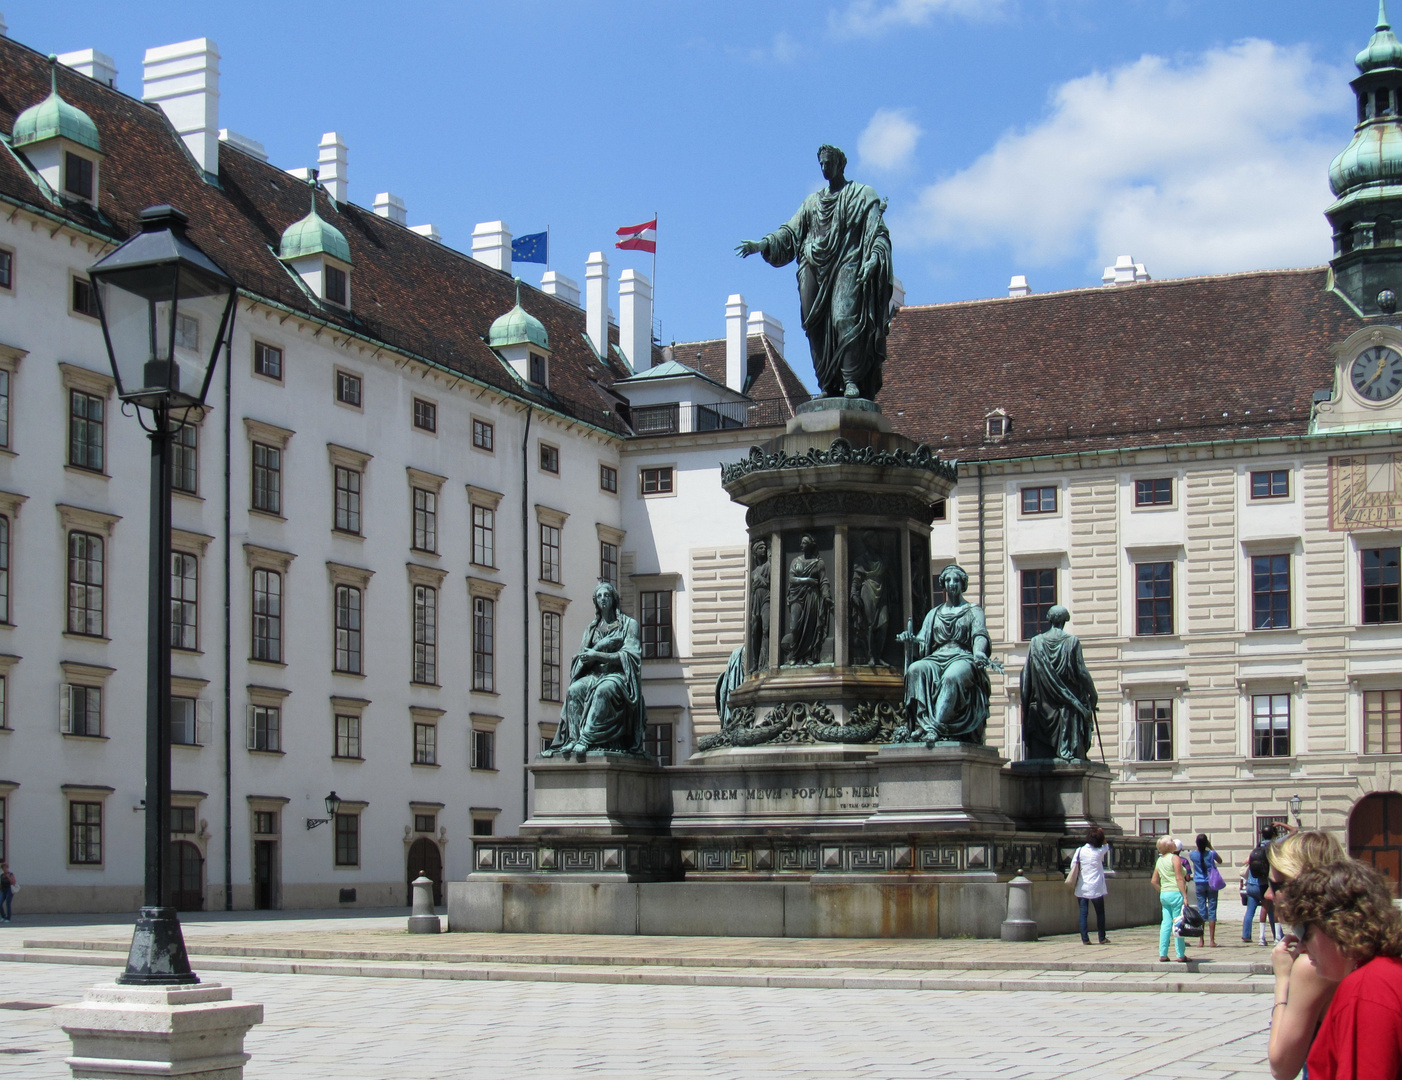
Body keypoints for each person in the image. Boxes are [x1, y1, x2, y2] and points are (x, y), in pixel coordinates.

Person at [736, 144, 893, 400]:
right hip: (812, 266)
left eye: (828, 163)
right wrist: (762, 244)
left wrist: (874, 258)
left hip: (848, 262)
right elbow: (790, 231)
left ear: (840, 164)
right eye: (820, 164)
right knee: (814, 326)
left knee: (844, 318)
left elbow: (878, 233)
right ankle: (828, 384)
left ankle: (851, 378)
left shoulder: (862, 195)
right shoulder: (812, 202)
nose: (824, 168)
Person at [1276, 859, 1402, 1080]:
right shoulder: (1387, 972)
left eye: (1304, 930)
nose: (1302, 945)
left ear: (1335, 924)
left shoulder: (1365, 989)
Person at [1265, 831, 1349, 1080]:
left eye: (1274, 885)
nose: (1269, 895)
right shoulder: (1350, 941)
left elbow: (1282, 1067)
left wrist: (1283, 979)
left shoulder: (1314, 964)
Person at [544, 581, 647, 758]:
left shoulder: (629, 625)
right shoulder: (591, 629)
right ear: (596, 602)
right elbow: (580, 659)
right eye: (599, 596)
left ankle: (586, 738)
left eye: (606, 595)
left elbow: (630, 657)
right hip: (594, 674)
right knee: (574, 690)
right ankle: (573, 739)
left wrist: (597, 655)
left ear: (614, 599)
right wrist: (593, 652)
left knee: (603, 691)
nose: (603, 599)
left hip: (618, 676)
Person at [896, 564, 992, 744]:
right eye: (948, 580)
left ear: (963, 584)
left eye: (956, 580)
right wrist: (910, 640)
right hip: (937, 657)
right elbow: (922, 642)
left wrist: (979, 651)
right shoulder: (934, 614)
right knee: (916, 669)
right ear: (943, 584)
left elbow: (980, 634)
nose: (951, 584)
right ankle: (922, 724)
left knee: (951, 677)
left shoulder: (973, 611)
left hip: (962, 656)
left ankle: (936, 727)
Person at [1019, 605, 1098, 761]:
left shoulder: (1036, 642)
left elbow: (1026, 676)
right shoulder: (1072, 642)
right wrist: (1093, 693)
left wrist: (1026, 705)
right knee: (1078, 707)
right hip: (1067, 708)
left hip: (1042, 708)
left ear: (1048, 619)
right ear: (1065, 620)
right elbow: (1081, 672)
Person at [781, 534, 832, 665]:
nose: (801, 545)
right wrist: (807, 580)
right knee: (795, 626)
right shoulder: (795, 562)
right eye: (801, 543)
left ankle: (809, 656)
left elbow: (823, 580)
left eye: (804, 543)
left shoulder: (818, 563)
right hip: (797, 596)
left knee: (811, 627)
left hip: (812, 596)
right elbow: (791, 579)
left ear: (810, 545)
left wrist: (826, 596)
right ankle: (794, 654)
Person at [849, 531, 890, 667]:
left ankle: (879, 655)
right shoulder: (861, 560)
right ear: (868, 542)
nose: (877, 541)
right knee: (869, 624)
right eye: (874, 539)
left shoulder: (881, 559)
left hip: (882, 591)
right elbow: (856, 579)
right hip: (867, 589)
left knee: (883, 623)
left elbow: (889, 576)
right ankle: (870, 656)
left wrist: (894, 589)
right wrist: (854, 593)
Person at [1066, 826, 1110, 945]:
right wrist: (1102, 833)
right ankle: (1102, 937)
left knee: (1083, 913)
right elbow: (1106, 846)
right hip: (1096, 886)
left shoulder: (1080, 850)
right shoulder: (1099, 852)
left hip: (1082, 885)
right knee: (1100, 913)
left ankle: (1085, 938)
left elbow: (1072, 866)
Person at [1152, 834, 1190, 963]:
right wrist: (1184, 895)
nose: (1174, 842)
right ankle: (1180, 954)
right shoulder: (1175, 858)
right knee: (1178, 924)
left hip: (1165, 894)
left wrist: (1162, 890)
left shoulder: (1160, 860)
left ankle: (1163, 953)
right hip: (1175, 893)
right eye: (1172, 840)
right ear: (1169, 846)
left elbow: (1154, 881)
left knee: (1165, 924)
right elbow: (1180, 878)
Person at [1244, 824, 1284, 945]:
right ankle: (1277, 937)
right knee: (1276, 908)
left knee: (1264, 908)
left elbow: (1246, 861)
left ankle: (1261, 937)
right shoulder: (1274, 845)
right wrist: (1281, 824)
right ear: (1273, 834)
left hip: (1260, 881)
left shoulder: (1258, 846)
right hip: (1272, 879)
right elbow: (1294, 831)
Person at [1187, 834, 1224, 947]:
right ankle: (1212, 940)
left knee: (1201, 910)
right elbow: (1220, 860)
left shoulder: (1193, 854)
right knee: (1212, 910)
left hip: (1199, 882)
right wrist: (1210, 846)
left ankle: (1201, 940)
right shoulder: (1211, 854)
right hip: (1211, 883)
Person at [748, 540, 771, 672]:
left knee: (766, 628)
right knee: (754, 631)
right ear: (755, 552)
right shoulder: (753, 572)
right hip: (756, 600)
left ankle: (768, 660)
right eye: (760, 548)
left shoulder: (769, 566)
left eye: (764, 547)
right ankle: (756, 662)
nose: (763, 550)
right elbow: (752, 591)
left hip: (766, 598)